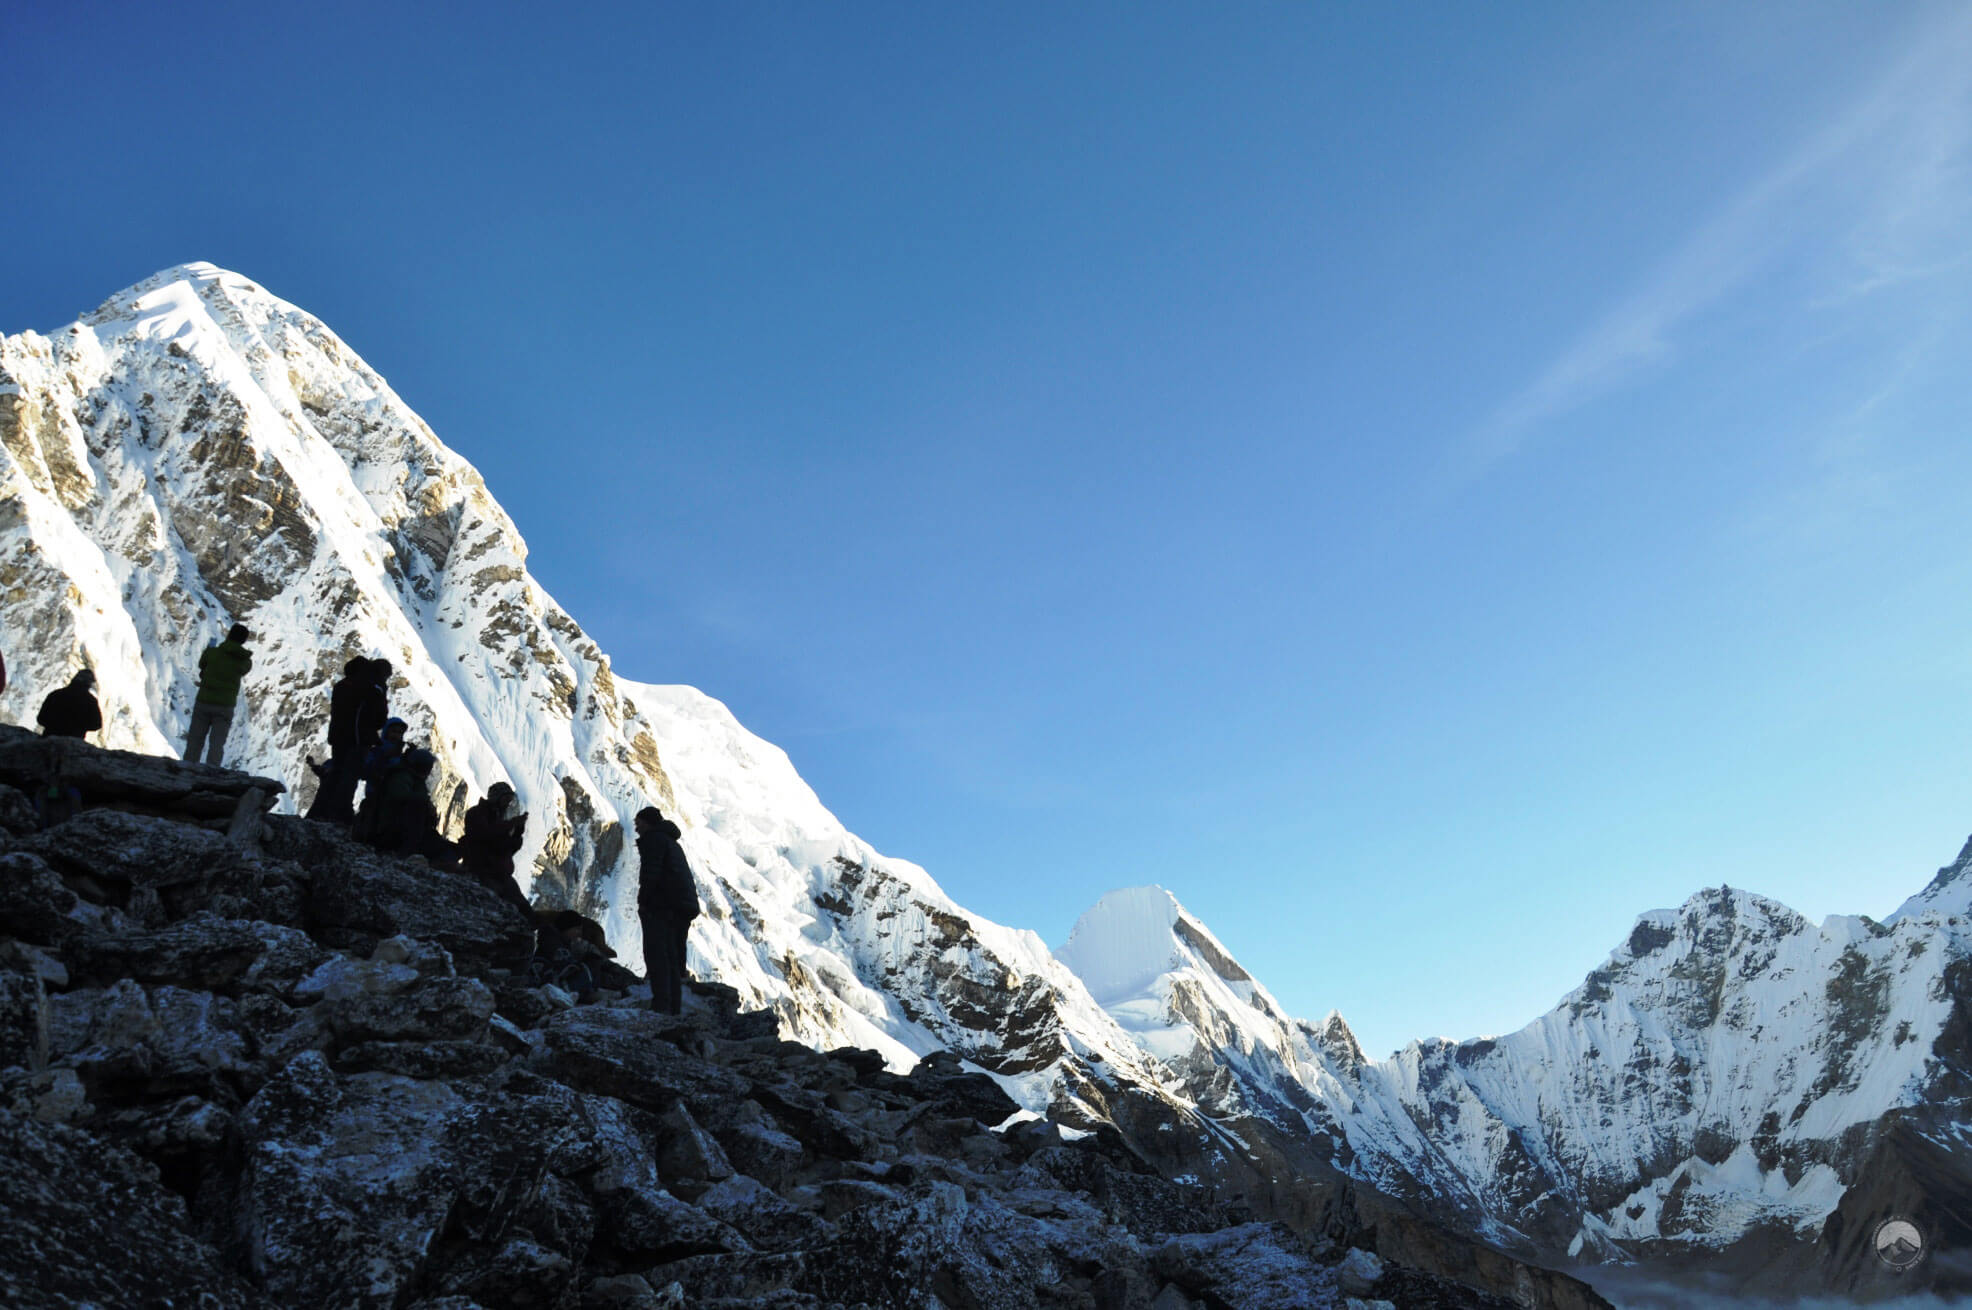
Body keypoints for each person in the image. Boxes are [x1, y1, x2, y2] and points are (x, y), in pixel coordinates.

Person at [306, 656, 389, 822]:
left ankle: (319, 813)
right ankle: (341, 814)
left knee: (335, 774)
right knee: (349, 777)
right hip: (358, 740)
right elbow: (379, 716)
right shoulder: (372, 687)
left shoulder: (342, 684)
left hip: (338, 737)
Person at [635, 806, 700, 1015]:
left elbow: (651, 874)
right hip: (681, 906)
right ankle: (673, 1007)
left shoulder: (654, 840)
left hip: (664, 906)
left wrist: (644, 901)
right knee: (672, 957)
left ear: (648, 823)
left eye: (639, 823)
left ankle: (661, 1005)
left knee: (657, 954)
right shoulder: (669, 841)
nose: (636, 827)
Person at [364, 748, 457, 867]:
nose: (429, 771)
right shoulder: (402, 777)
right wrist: (424, 803)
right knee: (417, 809)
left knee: (448, 848)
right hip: (392, 830)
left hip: (402, 830)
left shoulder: (414, 780)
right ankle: (408, 853)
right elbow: (399, 796)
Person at [183, 623, 252, 766]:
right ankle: (212, 773)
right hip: (225, 706)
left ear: (229, 635)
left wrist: (209, 650)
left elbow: (202, 663)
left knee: (195, 740)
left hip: (204, 701)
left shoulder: (212, 653)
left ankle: (187, 769)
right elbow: (245, 669)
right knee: (217, 743)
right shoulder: (244, 661)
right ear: (244, 641)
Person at [460, 782, 531, 916]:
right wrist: (511, 824)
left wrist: (518, 832)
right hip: (482, 871)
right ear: (496, 798)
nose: (507, 804)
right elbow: (485, 835)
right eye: (505, 799)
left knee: (524, 909)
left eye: (509, 800)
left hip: (499, 873)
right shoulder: (476, 814)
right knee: (499, 908)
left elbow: (506, 849)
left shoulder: (499, 819)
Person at [38, 669, 102, 740]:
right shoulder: (90, 701)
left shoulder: (56, 694)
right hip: (73, 742)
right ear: (89, 683)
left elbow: (41, 718)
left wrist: (54, 724)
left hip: (49, 739)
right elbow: (96, 724)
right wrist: (79, 727)